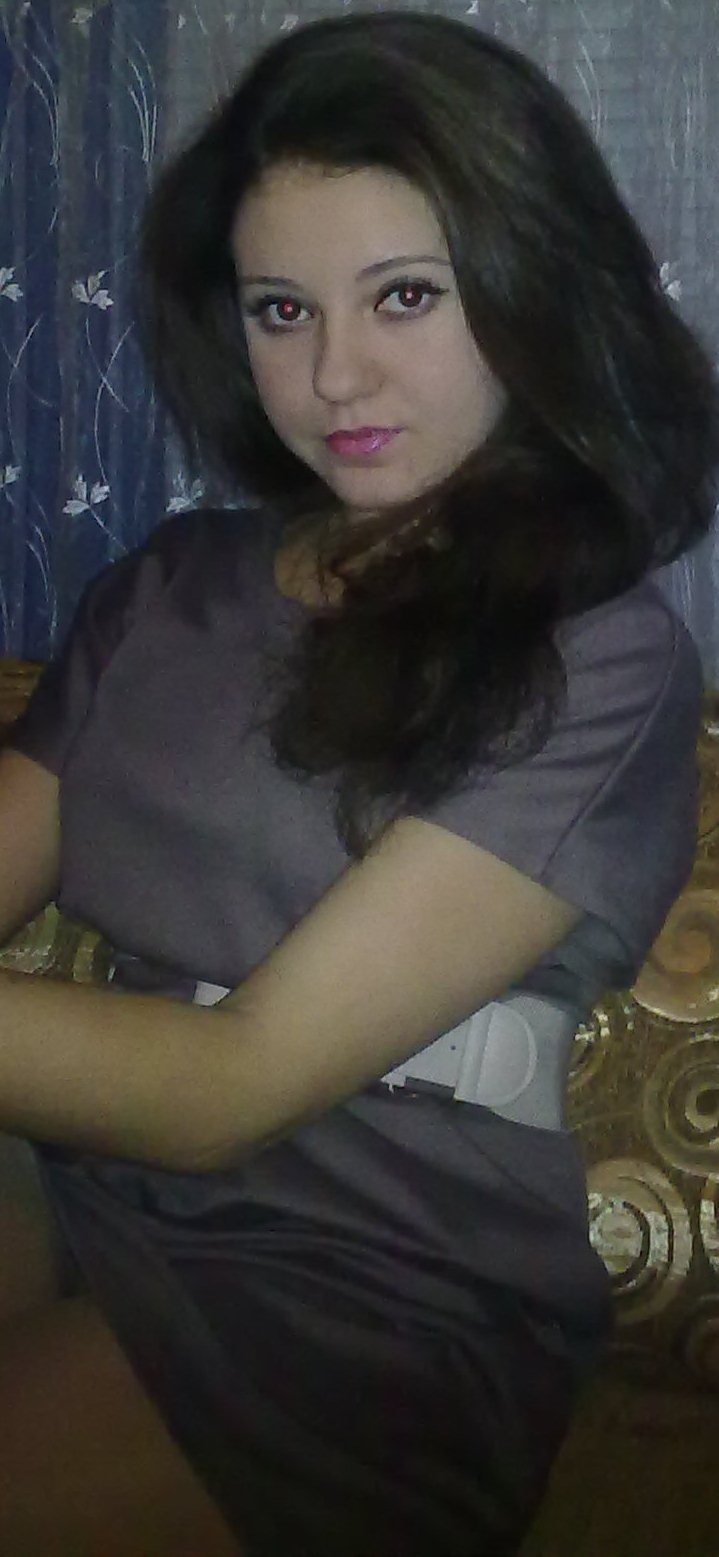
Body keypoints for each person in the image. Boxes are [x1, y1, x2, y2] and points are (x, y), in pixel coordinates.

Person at [0, 9, 717, 1554]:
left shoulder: (597, 652)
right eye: (281, 309)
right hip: (82, 1186)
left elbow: (232, 1084)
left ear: (532, 289)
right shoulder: (167, 587)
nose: (334, 373)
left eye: (405, 294)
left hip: (363, 1281)